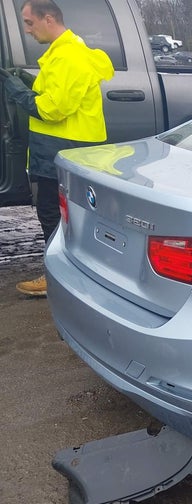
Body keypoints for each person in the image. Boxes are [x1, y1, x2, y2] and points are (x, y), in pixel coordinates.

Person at [2, 0, 114, 296]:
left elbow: (53, 110)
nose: (26, 30)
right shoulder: (63, 53)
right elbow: (57, 93)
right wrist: (29, 83)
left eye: (29, 22)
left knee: (54, 213)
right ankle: (72, 271)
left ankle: (58, 275)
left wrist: (19, 94)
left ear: (48, 19)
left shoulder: (69, 57)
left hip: (63, 147)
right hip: (64, 145)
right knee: (69, 214)